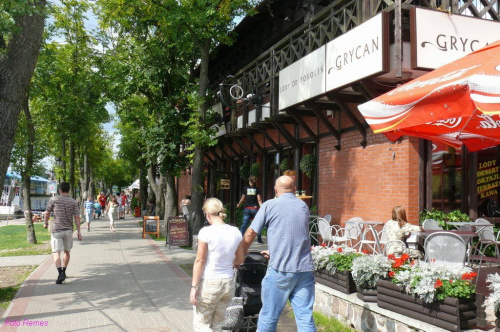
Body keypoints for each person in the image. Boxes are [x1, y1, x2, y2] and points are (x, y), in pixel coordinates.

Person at [239, 176, 317, 331]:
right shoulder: (303, 206)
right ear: (295, 189)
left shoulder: (270, 205)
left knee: (269, 316)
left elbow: (251, 233)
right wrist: (274, 251)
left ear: (275, 190)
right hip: (304, 270)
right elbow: (295, 234)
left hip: (280, 270)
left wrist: (238, 255)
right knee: (305, 318)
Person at [190, 198, 245, 332]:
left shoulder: (206, 232)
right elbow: (240, 259)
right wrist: (233, 263)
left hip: (209, 282)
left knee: (201, 324)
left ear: (207, 214)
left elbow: (200, 261)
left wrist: (193, 286)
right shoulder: (235, 232)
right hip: (228, 282)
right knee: (218, 325)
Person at [43, 182, 82, 284]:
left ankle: (60, 273)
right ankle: (64, 271)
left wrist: (45, 223)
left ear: (59, 189)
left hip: (56, 230)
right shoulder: (73, 202)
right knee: (67, 251)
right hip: (69, 230)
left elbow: (47, 213)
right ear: (68, 190)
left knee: (56, 252)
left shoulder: (54, 200)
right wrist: (79, 231)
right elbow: (77, 217)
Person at [236, 176, 264, 243]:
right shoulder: (257, 189)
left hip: (247, 209)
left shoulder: (245, 189)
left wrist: (238, 205)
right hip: (255, 209)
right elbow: (259, 200)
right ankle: (259, 240)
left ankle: (239, 239)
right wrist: (262, 208)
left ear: (249, 181)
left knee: (244, 224)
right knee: (257, 224)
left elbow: (242, 199)